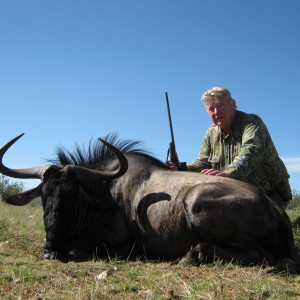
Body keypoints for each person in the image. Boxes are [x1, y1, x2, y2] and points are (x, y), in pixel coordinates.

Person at [169, 86, 292, 209]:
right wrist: (181, 167)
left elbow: (250, 153)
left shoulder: (251, 122)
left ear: (233, 104)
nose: (216, 112)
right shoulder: (210, 133)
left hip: (272, 193)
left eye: (220, 106)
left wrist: (227, 175)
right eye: (211, 109)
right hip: (241, 194)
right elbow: (203, 163)